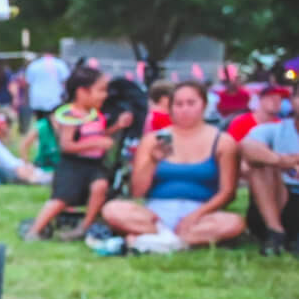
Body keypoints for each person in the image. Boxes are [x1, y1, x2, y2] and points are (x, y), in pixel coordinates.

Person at [102, 81, 246, 250]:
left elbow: (228, 193)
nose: (184, 109)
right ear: (170, 108)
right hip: (156, 212)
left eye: (191, 103)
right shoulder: (153, 140)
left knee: (234, 223)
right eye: (178, 104)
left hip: (201, 212)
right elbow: (137, 191)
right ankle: (174, 240)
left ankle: (157, 241)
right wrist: (153, 161)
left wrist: (195, 216)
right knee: (112, 209)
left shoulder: (223, 142)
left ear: (204, 106)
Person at [23, 65, 131, 242]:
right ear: (82, 92)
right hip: (73, 166)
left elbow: (99, 135)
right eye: (101, 90)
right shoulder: (70, 116)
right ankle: (35, 229)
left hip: (94, 165)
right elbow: (67, 146)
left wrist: (117, 127)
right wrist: (95, 143)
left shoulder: (95, 115)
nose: (105, 95)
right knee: (61, 199)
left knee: (100, 187)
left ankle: (85, 226)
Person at [238, 101, 299, 257]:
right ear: (293, 100)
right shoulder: (274, 130)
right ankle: (275, 233)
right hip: (279, 201)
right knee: (261, 164)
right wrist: (280, 161)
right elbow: (247, 147)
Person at [23, 50, 70, 121]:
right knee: (54, 123)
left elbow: (27, 83)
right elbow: (66, 81)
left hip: (37, 100)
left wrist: (26, 99)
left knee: (40, 123)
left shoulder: (33, 65)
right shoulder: (60, 64)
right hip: (55, 99)